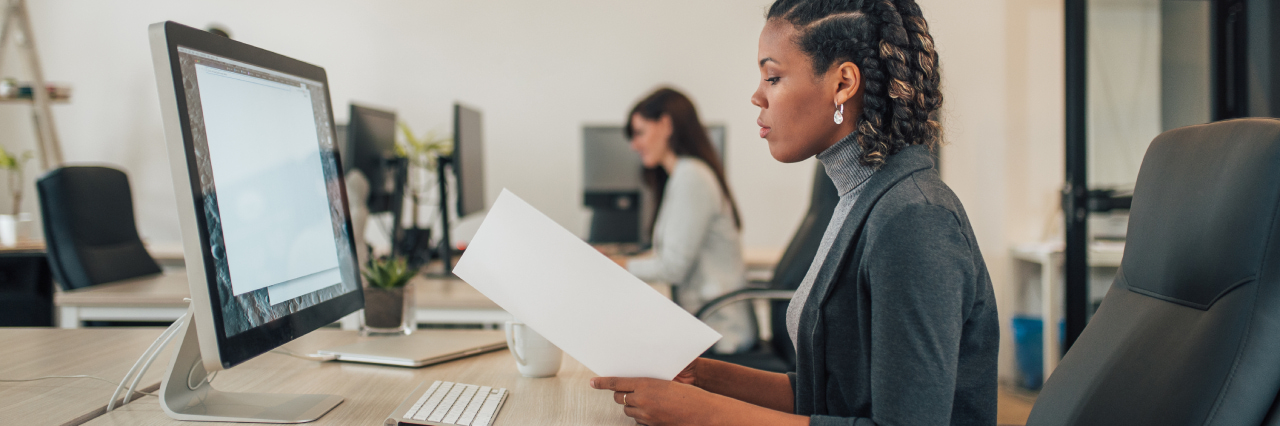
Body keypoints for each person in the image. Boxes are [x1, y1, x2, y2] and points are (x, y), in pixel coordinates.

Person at [591, 1, 999, 425]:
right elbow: (829, 397)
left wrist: (703, 414)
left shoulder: (914, 219)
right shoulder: (860, 199)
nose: (756, 95)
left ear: (843, 84)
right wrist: (703, 376)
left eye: (773, 76)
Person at [614, 87, 757, 355]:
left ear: (666, 124)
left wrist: (618, 265)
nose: (634, 145)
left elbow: (673, 268)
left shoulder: (692, 177)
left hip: (719, 331)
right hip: (702, 322)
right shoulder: (682, 176)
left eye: (640, 133)